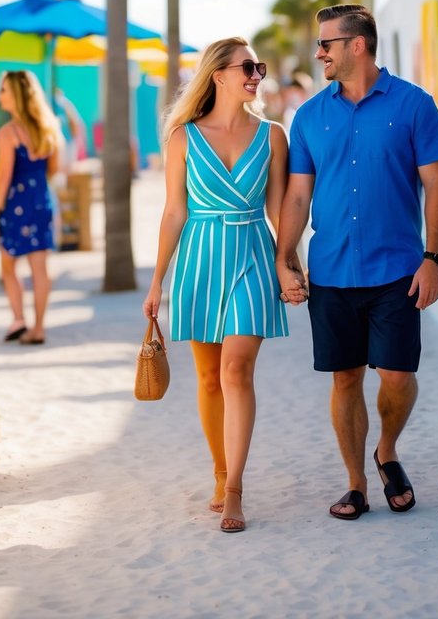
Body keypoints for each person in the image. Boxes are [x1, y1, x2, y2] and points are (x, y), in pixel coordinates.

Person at [276, 4, 438, 521]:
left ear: (357, 45)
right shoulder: (310, 116)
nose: (319, 53)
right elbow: (296, 198)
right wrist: (284, 258)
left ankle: (388, 449)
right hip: (331, 272)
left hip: (398, 270)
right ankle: (356, 482)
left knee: (397, 376)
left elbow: (437, 187)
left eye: (326, 43)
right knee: (346, 378)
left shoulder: (415, 105)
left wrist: (433, 258)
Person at [143, 37, 290, 534]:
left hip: (251, 254)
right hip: (198, 262)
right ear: (218, 75)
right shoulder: (183, 137)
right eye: (247, 66)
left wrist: (288, 262)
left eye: (259, 66)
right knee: (208, 379)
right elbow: (173, 212)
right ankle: (219, 470)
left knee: (236, 370)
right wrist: (156, 282)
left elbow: (277, 209)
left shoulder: (273, 136)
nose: (256, 74)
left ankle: (234, 491)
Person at [0, 70, 64, 345]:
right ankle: (39, 328)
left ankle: (18, 319)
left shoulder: (8, 132)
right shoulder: (49, 128)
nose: (0, 95)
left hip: (16, 203)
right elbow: (54, 169)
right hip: (41, 201)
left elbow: (3, 176)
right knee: (40, 269)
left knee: (8, 263)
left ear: (17, 96)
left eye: (4, 90)